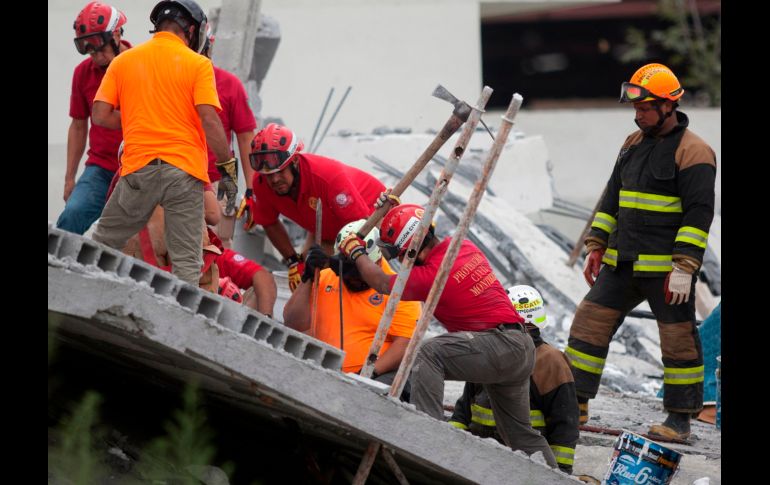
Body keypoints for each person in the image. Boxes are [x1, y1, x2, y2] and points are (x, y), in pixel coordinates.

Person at [336, 203, 558, 468]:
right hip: (520, 347)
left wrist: (357, 252)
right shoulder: (463, 246)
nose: (399, 260)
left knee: (427, 352)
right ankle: (555, 477)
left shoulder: (431, 276)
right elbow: (401, 249)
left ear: (410, 249)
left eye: (399, 253)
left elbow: (382, 282)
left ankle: (428, 433)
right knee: (520, 434)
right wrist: (388, 214)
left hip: (499, 345)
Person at [566, 63, 716, 441]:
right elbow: (611, 198)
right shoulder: (632, 144)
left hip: (666, 272)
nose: (638, 115)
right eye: (636, 108)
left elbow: (699, 215)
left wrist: (684, 267)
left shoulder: (695, 152)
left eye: (646, 108)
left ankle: (679, 420)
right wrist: (597, 245)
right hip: (622, 262)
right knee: (588, 326)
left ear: (669, 105)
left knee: (678, 341)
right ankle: (574, 404)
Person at [89, 0, 232, 286]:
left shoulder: (123, 61)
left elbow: (100, 116)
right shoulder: (198, 64)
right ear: (191, 30)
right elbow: (209, 119)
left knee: (102, 245)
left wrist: (140, 117)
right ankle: (182, 313)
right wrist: (227, 165)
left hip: (138, 170)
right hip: (184, 173)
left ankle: (83, 298)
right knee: (187, 264)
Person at [449, 285, 579, 474]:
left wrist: (558, 474)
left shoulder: (550, 361)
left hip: (524, 466)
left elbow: (565, 423)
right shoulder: (489, 351)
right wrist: (449, 444)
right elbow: (464, 410)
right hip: (475, 457)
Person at [241, 123, 386, 291]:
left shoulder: (328, 177)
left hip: (372, 222)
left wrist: (335, 263)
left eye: (280, 172)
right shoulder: (261, 183)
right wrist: (293, 261)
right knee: (307, 277)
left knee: (359, 282)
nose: (274, 180)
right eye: (269, 175)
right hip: (326, 228)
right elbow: (269, 222)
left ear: (295, 161)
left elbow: (362, 231)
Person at [283, 219, 420, 397]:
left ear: (376, 262)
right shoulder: (324, 276)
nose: (353, 280)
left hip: (375, 377)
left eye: (359, 275)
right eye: (348, 275)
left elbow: (404, 345)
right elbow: (292, 323)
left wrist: (365, 375)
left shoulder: (399, 290)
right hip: (322, 372)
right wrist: (307, 278)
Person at [57, 1, 131, 235]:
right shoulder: (83, 73)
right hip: (100, 169)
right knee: (72, 215)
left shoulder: (142, 65)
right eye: (89, 51)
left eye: (100, 48)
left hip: (139, 168)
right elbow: (78, 126)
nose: (96, 56)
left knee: (138, 238)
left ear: (116, 35)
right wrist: (70, 178)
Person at [200, 26, 258, 249]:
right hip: (180, 175)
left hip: (221, 178)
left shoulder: (229, 84)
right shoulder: (171, 83)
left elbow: (245, 137)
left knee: (220, 246)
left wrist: (252, 190)